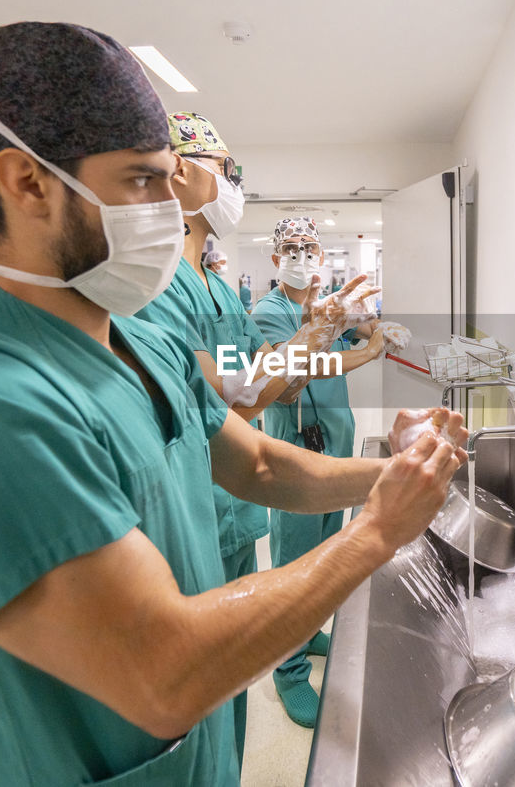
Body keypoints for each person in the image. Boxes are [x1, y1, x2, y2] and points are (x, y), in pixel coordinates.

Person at [0, 22, 467, 786]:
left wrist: (391, 476)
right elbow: (161, 671)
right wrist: (377, 531)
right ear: (27, 182)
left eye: (171, 179)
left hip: (195, 743)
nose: (168, 209)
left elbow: (262, 462)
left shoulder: (138, 338)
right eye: (141, 180)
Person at [133, 111, 378, 765]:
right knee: (201, 702)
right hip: (201, 508)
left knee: (230, 691)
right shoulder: (160, 285)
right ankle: (289, 673)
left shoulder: (211, 281)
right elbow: (236, 400)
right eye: (228, 169)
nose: (235, 183)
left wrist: (322, 330)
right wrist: (315, 337)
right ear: (177, 170)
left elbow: (251, 390)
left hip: (240, 502)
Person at [252, 216, 388, 727]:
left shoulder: (324, 300)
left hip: (335, 441)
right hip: (296, 448)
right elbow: (290, 377)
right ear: (274, 258)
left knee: (329, 545)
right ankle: (287, 671)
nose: (301, 256)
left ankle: (308, 636)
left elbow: (362, 326)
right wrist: (365, 353)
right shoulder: (267, 312)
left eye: (310, 247)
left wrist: (370, 322)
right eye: (291, 248)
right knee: (296, 563)